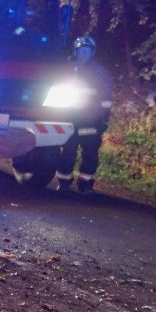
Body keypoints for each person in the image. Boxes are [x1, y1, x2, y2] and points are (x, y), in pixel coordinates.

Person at [55, 36, 113, 194]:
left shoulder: (99, 72)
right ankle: (64, 182)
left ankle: (86, 184)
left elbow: (106, 97)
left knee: (90, 152)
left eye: (87, 51)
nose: (84, 54)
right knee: (68, 151)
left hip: (91, 119)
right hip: (70, 117)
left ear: (92, 53)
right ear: (75, 52)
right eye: (81, 51)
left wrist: (104, 118)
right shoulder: (66, 69)